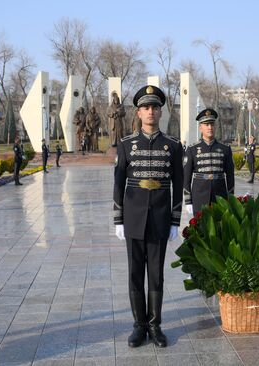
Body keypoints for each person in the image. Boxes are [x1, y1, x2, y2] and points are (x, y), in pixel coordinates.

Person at [113, 85, 183, 348]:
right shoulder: (126, 144)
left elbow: (178, 183)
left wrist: (175, 220)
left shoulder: (173, 145)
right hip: (133, 217)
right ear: (139, 113)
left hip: (160, 218)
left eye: (154, 107)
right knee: (134, 274)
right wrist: (118, 219)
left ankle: (155, 326)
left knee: (156, 274)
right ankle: (138, 326)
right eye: (146, 107)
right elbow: (118, 183)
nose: (150, 111)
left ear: (160, 112)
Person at [183, 108, 234, 216]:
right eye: (206, 124)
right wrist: (188, 201)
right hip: (199, 197)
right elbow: (186, 178)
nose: (210, 127)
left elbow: (230, 176)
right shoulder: (192, 149)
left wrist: (231, 198)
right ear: (200, 128)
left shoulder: (225, 148)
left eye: (212, 124)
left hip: (220, 197)